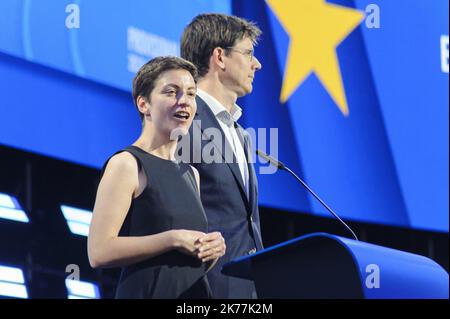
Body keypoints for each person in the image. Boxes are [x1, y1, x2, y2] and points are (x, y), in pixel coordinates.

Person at [87, 56, 226, 299]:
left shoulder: (191, 173)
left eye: (191, 94)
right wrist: (172, 239)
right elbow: (98, 251)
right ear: (144, 104)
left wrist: (210, 251)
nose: (184, 102)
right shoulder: (127, 164)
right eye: (172, 92)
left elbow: (182, 265)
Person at [180, 14, 263, 299]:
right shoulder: (184, 120)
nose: (257, 64)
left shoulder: (240, 133)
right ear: (220, 57)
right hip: (201, 290)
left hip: (247, 291)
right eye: (249, 53)